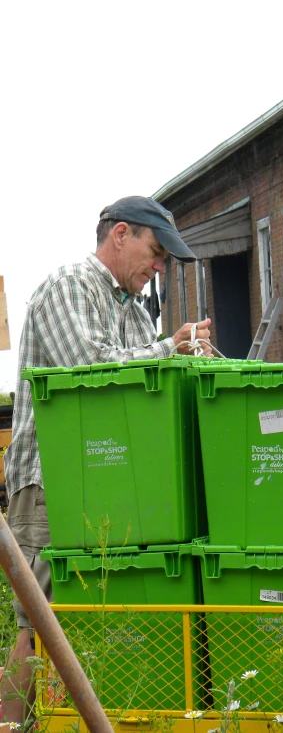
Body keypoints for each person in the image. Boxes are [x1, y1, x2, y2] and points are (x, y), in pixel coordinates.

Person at [0, 196, 211, 724]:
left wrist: (193, 357)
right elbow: (89, 372)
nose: (159, 267)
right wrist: (169, 348)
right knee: (38, 622)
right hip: (50, 483)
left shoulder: (130, 308)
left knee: (86, 621)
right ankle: (9, 724)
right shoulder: (67, 287)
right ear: (120, 234)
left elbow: (146, 386)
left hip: (108, 483)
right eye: (156, 252)